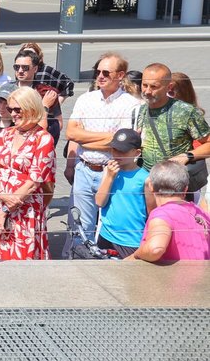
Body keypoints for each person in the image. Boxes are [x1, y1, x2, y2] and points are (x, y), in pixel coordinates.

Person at [66, 52, 140, 243]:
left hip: (113, 171)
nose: (100, 76)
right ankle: (78, 257)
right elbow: (71, 133)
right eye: (97, 72)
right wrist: (110, 138)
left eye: (106, 73)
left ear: (120, 75)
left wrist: (84, 139)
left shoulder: (131, 104)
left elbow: (123, 143)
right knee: (79, 227)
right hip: (83, 169)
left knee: (109, 225)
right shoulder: (86, 99)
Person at [0, 87, 56, 261]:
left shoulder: (43, 139)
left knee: (22, 261)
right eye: (10, 109)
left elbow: (33, 182)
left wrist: (6, 210)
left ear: (31, 108)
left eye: (17, 109)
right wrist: (2, 196)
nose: (13, 114)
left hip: (25, 209)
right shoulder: (5, 134)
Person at [133, 63, 210, 202]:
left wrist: (188, 156)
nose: (147, 91)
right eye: (145, 85)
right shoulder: (138, 111)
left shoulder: (186, 111)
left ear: (168, 87)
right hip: (146, 183)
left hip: (175, 186)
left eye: (154, 86)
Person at [128, 160, 210, 261]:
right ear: (185, 189)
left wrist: (136, 254)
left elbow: (155, 249)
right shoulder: (200, 212)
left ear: (151, 186)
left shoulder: (162, 215)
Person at [94, 129, 149, 258]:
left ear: (137, 153)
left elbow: (151, 212)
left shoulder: (145, 178)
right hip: (106, 235)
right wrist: (109, 177)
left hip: (132, 240)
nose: (117, 154)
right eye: (114, 149)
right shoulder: (109, 171)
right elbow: (99, 202)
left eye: (123, 151)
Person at [8, 49, 60, 144]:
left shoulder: (45, 92)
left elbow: (59, 123)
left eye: (25, 67)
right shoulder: (7, 90)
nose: (20, 71)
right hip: (11, 141)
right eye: (17, 67)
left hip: (37, 143)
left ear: (35, 69)